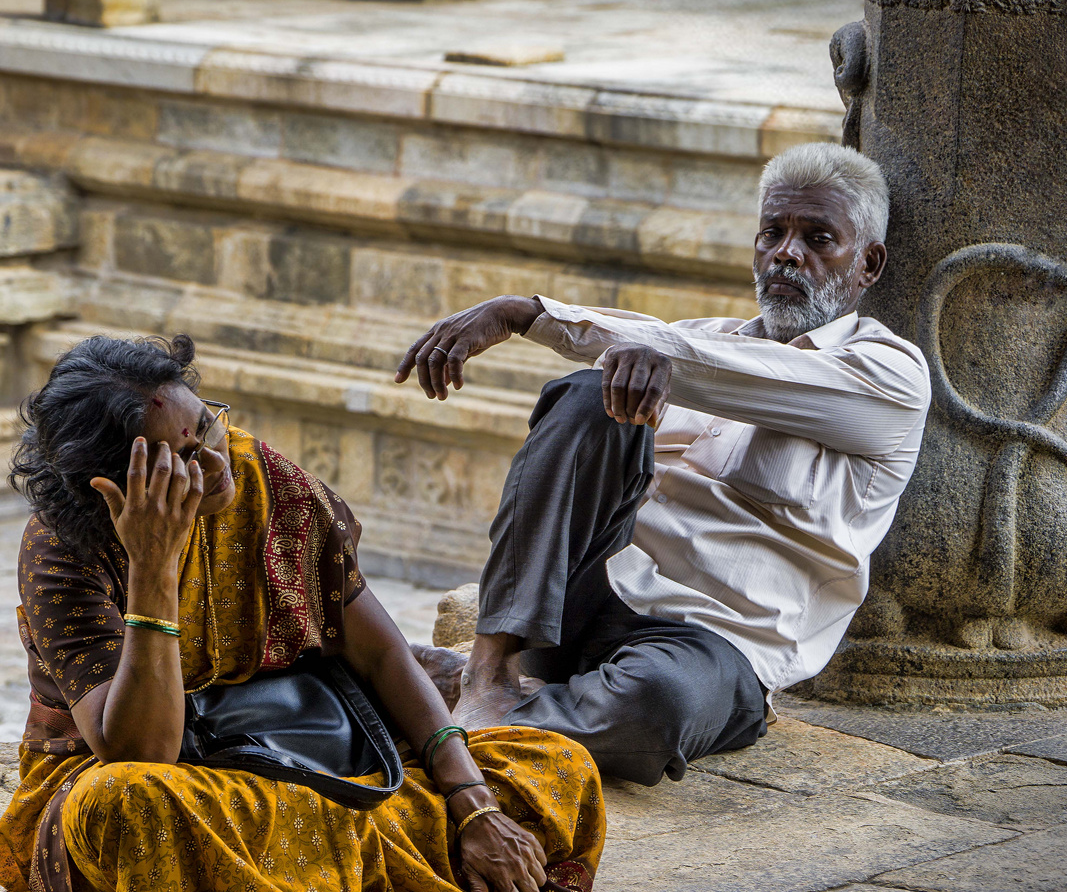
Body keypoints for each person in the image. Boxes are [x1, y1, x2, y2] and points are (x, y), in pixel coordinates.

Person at [0, 334, 604, 892]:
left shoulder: (267, 481)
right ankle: (370, 863)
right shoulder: (64, 550)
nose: (217, 462)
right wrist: (153, 567)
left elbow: (384, 659)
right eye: (182, 459)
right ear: (114, 486)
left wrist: (472, 803)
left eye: (208, 426)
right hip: (170, 786)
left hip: (299, 766)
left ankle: (316, 877)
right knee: (133, 807)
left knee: (555, 764)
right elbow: (144, 752)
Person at [395, 142, 931, 786]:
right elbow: (667, 354)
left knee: (658, 707)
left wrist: (535, 316)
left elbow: (741, 374)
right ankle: (486, 674)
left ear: (868, 263)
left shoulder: (889, 374)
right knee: (590, 395)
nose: (788, 253)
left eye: (818, 238)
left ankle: (463, 702)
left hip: (710, 645)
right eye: (773, 233)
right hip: (587, 600)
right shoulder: (702, 338)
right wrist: (534, 316)